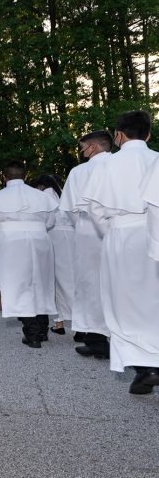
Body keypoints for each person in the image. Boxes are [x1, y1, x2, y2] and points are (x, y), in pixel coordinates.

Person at [86, 111, 159, 394]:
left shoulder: (107, 165)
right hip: (155, 232)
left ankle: (145, 367)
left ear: (118, 136)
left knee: (124, 302)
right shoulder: (156, 160)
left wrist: (112, 232)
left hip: (121, 234)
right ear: (148, 134)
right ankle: (149, 366)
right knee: (153, 299)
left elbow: (95, 210)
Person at [0, 160, 57, 348]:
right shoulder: (39, 196)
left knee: (18, 283)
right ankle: (42, 328)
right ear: (26, 175)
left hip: (12, 240)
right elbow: (50, 221)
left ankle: (31, 333)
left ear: (3, 176)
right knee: (41, 280)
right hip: (40, 238)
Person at [59, 130, 113, 355]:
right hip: (122, 226)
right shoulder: (120, 164)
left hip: (87, 228)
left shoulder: (80, 171)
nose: (82, 153)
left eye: (82, 148)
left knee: (90, 284)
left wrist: (81, 226)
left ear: (92, 148)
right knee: (119, 280)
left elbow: (70, 208)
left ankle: (97, 339)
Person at [33, 174, 74, 335]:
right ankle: (71, 323)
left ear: (41, 186)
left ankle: (60, 321)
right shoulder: (63, 194)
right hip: (71, 236)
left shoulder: (42, 197)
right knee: (71, 279)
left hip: (54, 237)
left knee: (55, 281)